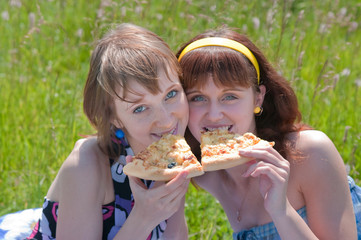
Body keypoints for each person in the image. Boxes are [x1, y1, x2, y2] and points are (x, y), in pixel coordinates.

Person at [176, 26, 361, 239]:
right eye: (197, 98)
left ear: (258, 98)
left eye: (230, 96)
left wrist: (282, 211)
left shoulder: (310, 153)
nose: (215, 114)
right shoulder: (202, 173)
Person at [22, 23, 190, 239]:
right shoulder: (85, 165)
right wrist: (144, 218)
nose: (166, 120)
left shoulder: (173, 152)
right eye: (140, 108)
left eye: (171, 94)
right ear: (113, 117)